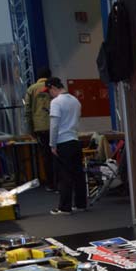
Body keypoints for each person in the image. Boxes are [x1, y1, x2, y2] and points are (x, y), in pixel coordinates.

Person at [47, 78, 87, 215]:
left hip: (63, 142)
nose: (50, 94)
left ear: (53, 87)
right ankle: (81, 204)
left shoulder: (56, 102)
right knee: (78, 175)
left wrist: (52, 144)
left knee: (65, 175)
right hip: (75, 140)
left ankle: (64, 207)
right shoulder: (75, 101)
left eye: (49, 91)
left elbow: (54, 125)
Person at [23, 68, 56, 191]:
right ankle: (60, 182)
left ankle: (50, 184)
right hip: (54, 125)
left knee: (46, 156)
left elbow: (27, 110)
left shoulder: (31, 89)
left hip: (40, 128)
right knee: (57, 155)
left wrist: (30, 130)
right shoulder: (53, 87)